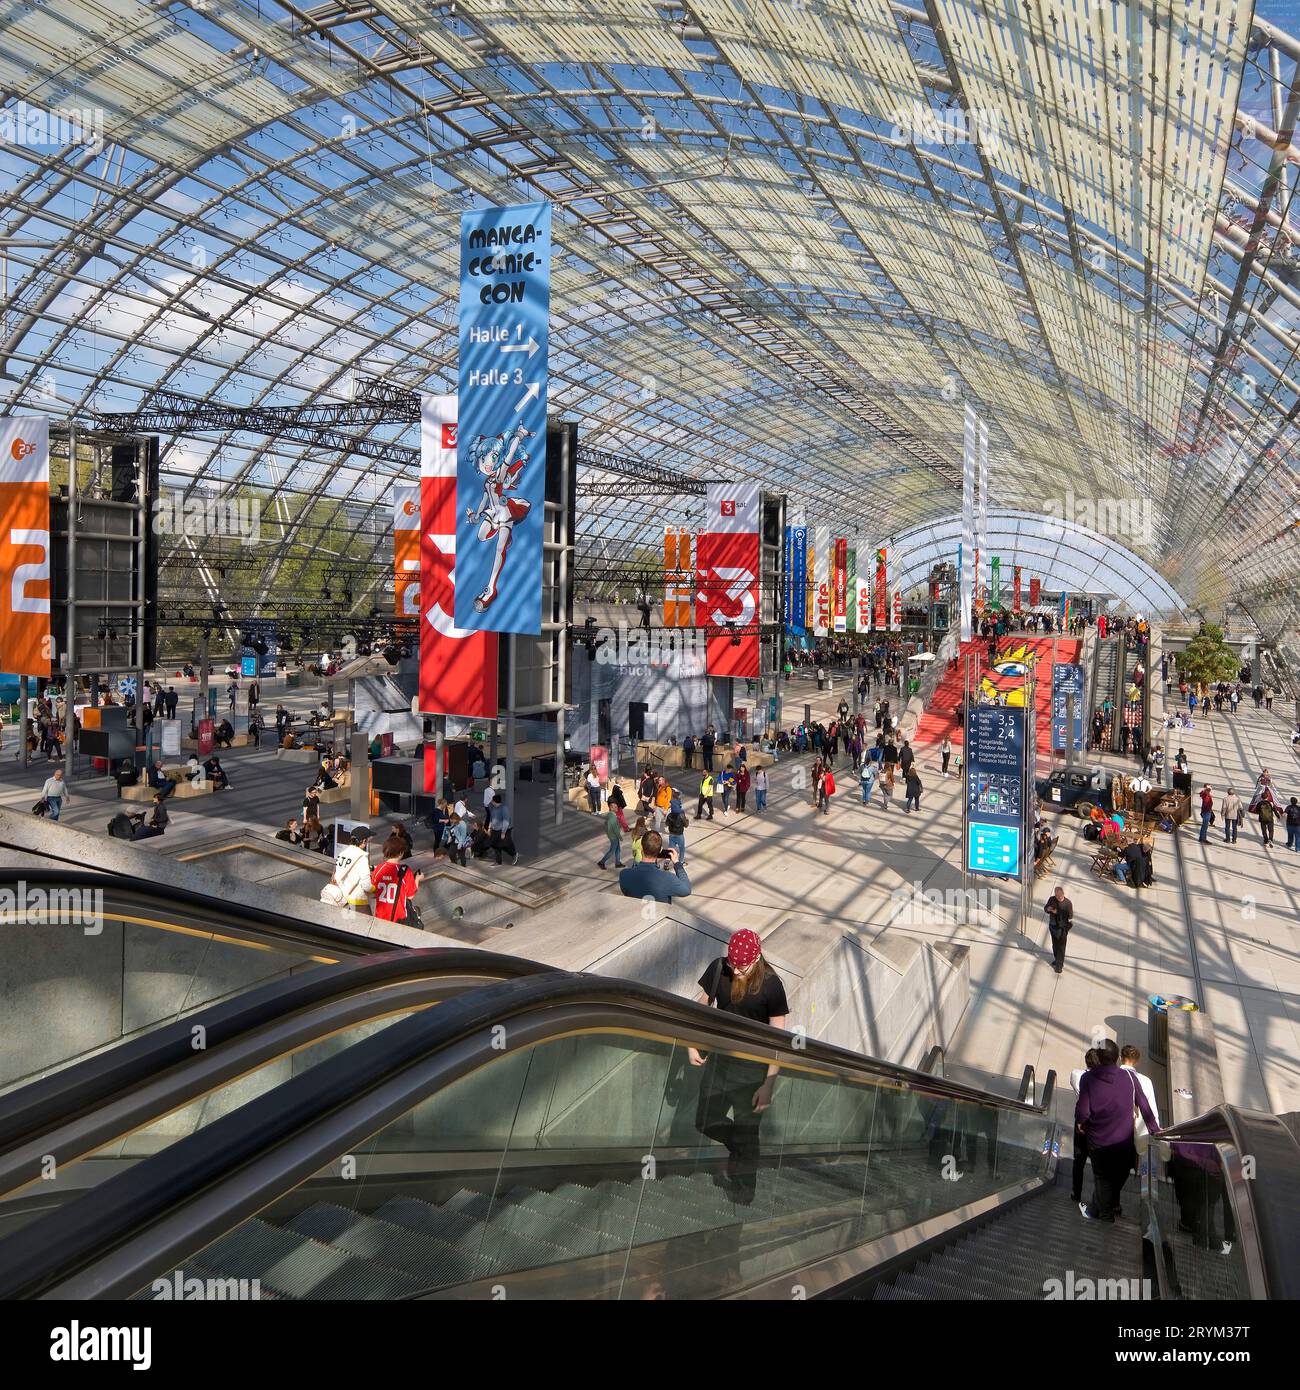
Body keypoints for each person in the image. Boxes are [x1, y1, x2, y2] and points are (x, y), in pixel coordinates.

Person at [688, 929, 789, 1205]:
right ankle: (741, 1148)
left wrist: (769, 1084)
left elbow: (778, 1040)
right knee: (705, 1121)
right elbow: (704, 1004)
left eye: (742, 966)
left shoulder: (771, 985)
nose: (737, 971)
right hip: (719, 1063)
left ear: (757, 958)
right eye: (734, 964)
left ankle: (744, 1193)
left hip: (752, 1073)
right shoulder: (720, 967)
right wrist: (691, 1042)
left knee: (748, 1133)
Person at [1077, 1039, 1158, 1223]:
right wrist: (1155, 1129)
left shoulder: (1088, 1078)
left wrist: (1081, 1122)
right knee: (1115, 1175)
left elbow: (1083, 1110)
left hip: (1098, 1138)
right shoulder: (1129, 1077)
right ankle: (1097, 1209)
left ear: (1098, 1057)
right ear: (1116, 1058)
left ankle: (1105, 1215)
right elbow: (1144, 1105)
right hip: (1123, 1138)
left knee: (1101, 1176)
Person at [617, 830, 691, 901]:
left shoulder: (624, 875)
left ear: (641, 848)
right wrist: (677, 864)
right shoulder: (668, 878)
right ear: (659, 851)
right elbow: (686, 890)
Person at [1069, 1048, 1102, 1204]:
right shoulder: (1102, 1080)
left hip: (1080, 1123)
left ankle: (1076, 1193)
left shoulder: (1077, 1075)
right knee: (1098, 1165)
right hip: (1097, 1124)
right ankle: (1098, 1199)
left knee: (1078, 1160)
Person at [372, 843, 424, 925]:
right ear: (400, 853)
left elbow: (373, 892)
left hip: (380, 916)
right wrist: (417, 879)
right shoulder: (405, 870)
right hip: (399, 918)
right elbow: (410, 896)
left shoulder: (378, 868)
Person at [328, 826, 375, 912]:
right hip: (357, 901)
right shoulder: (362, 857)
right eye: (367, 840)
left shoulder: (342, 853)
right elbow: (366, 885)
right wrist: (376, 890)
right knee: (365, 924)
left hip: (341, 898)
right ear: (364, 841)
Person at [1044, 886, 1073, 974]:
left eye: (1059, 896)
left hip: (1062, 928)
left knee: (1061, 947)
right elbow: (1045, 908)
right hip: (1053, 926)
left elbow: (1070, 916)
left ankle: (1059, 966)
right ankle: (1057, 960)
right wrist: (1047, 909)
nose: (1058, 898)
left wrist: (1058, 913)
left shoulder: (1068, 903)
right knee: (1055, 945)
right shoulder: (1052, 899)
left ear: (1063, 894)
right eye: (1057, 896)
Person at [488, 794, 519, 865]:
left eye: (492, 800)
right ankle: (498, 861)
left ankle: (514, 854)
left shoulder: (504, 809)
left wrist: (503, 832)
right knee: (495, 844)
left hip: (504, 830)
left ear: (495, 801)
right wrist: (489, 828)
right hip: (495, 830)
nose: (491, 801)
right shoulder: (493, 808)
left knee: (506, 844)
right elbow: (491, 819)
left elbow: (506, 821)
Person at [597, 805, 623, 869]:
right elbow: (615, 829)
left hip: (612, 835)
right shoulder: (613, 817)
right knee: (612, 851)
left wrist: (608, 833)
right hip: (614, 836)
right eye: (615, 807)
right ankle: (601, 862)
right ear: (611, 808)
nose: (617, 808)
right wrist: (620, 837)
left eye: (617, 807)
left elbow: (605, 824)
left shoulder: (609, 815)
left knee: (618, 850)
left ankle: (618, 863)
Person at [665, 797, 688, 866]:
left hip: (671, 834)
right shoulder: (681, 815)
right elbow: (686, 825)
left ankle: (666, 863)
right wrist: (687, 820)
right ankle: (681, 862)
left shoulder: (669, 815)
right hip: (679, 834)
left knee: (670, 849)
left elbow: (666, 824)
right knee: (682, 848)